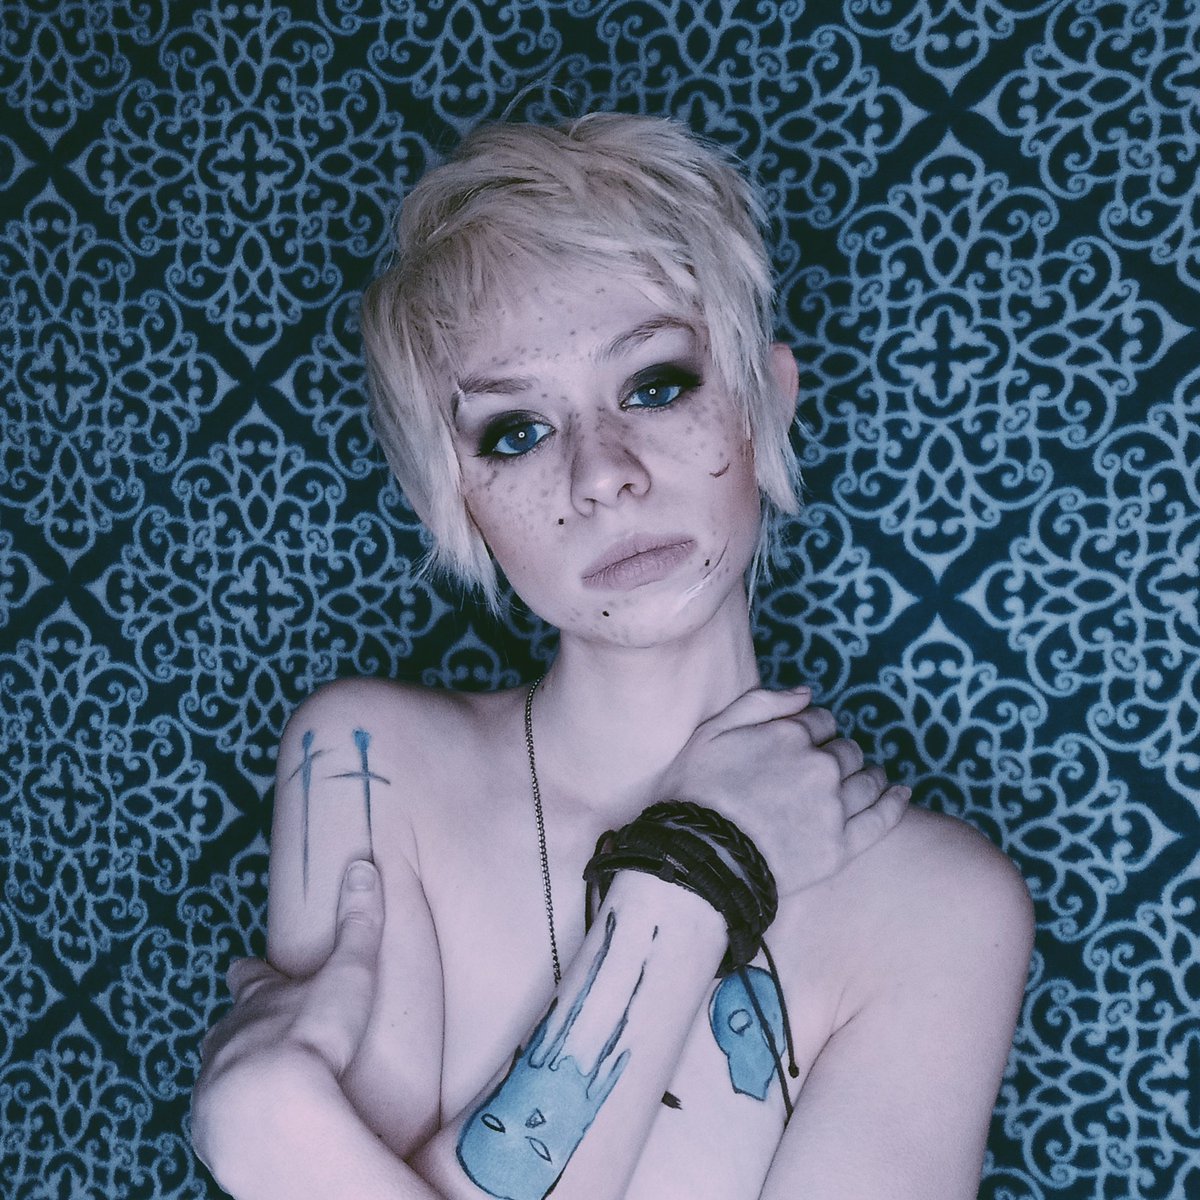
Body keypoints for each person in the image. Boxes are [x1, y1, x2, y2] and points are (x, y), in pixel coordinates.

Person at [190, 114, 1034, 1200]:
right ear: (456, 498)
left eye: (655, 384)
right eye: (515, 432)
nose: (601, 474)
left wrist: (265, 1123)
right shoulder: (366, 763)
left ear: (766, 400)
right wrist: (695, 867)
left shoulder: (940, 908)